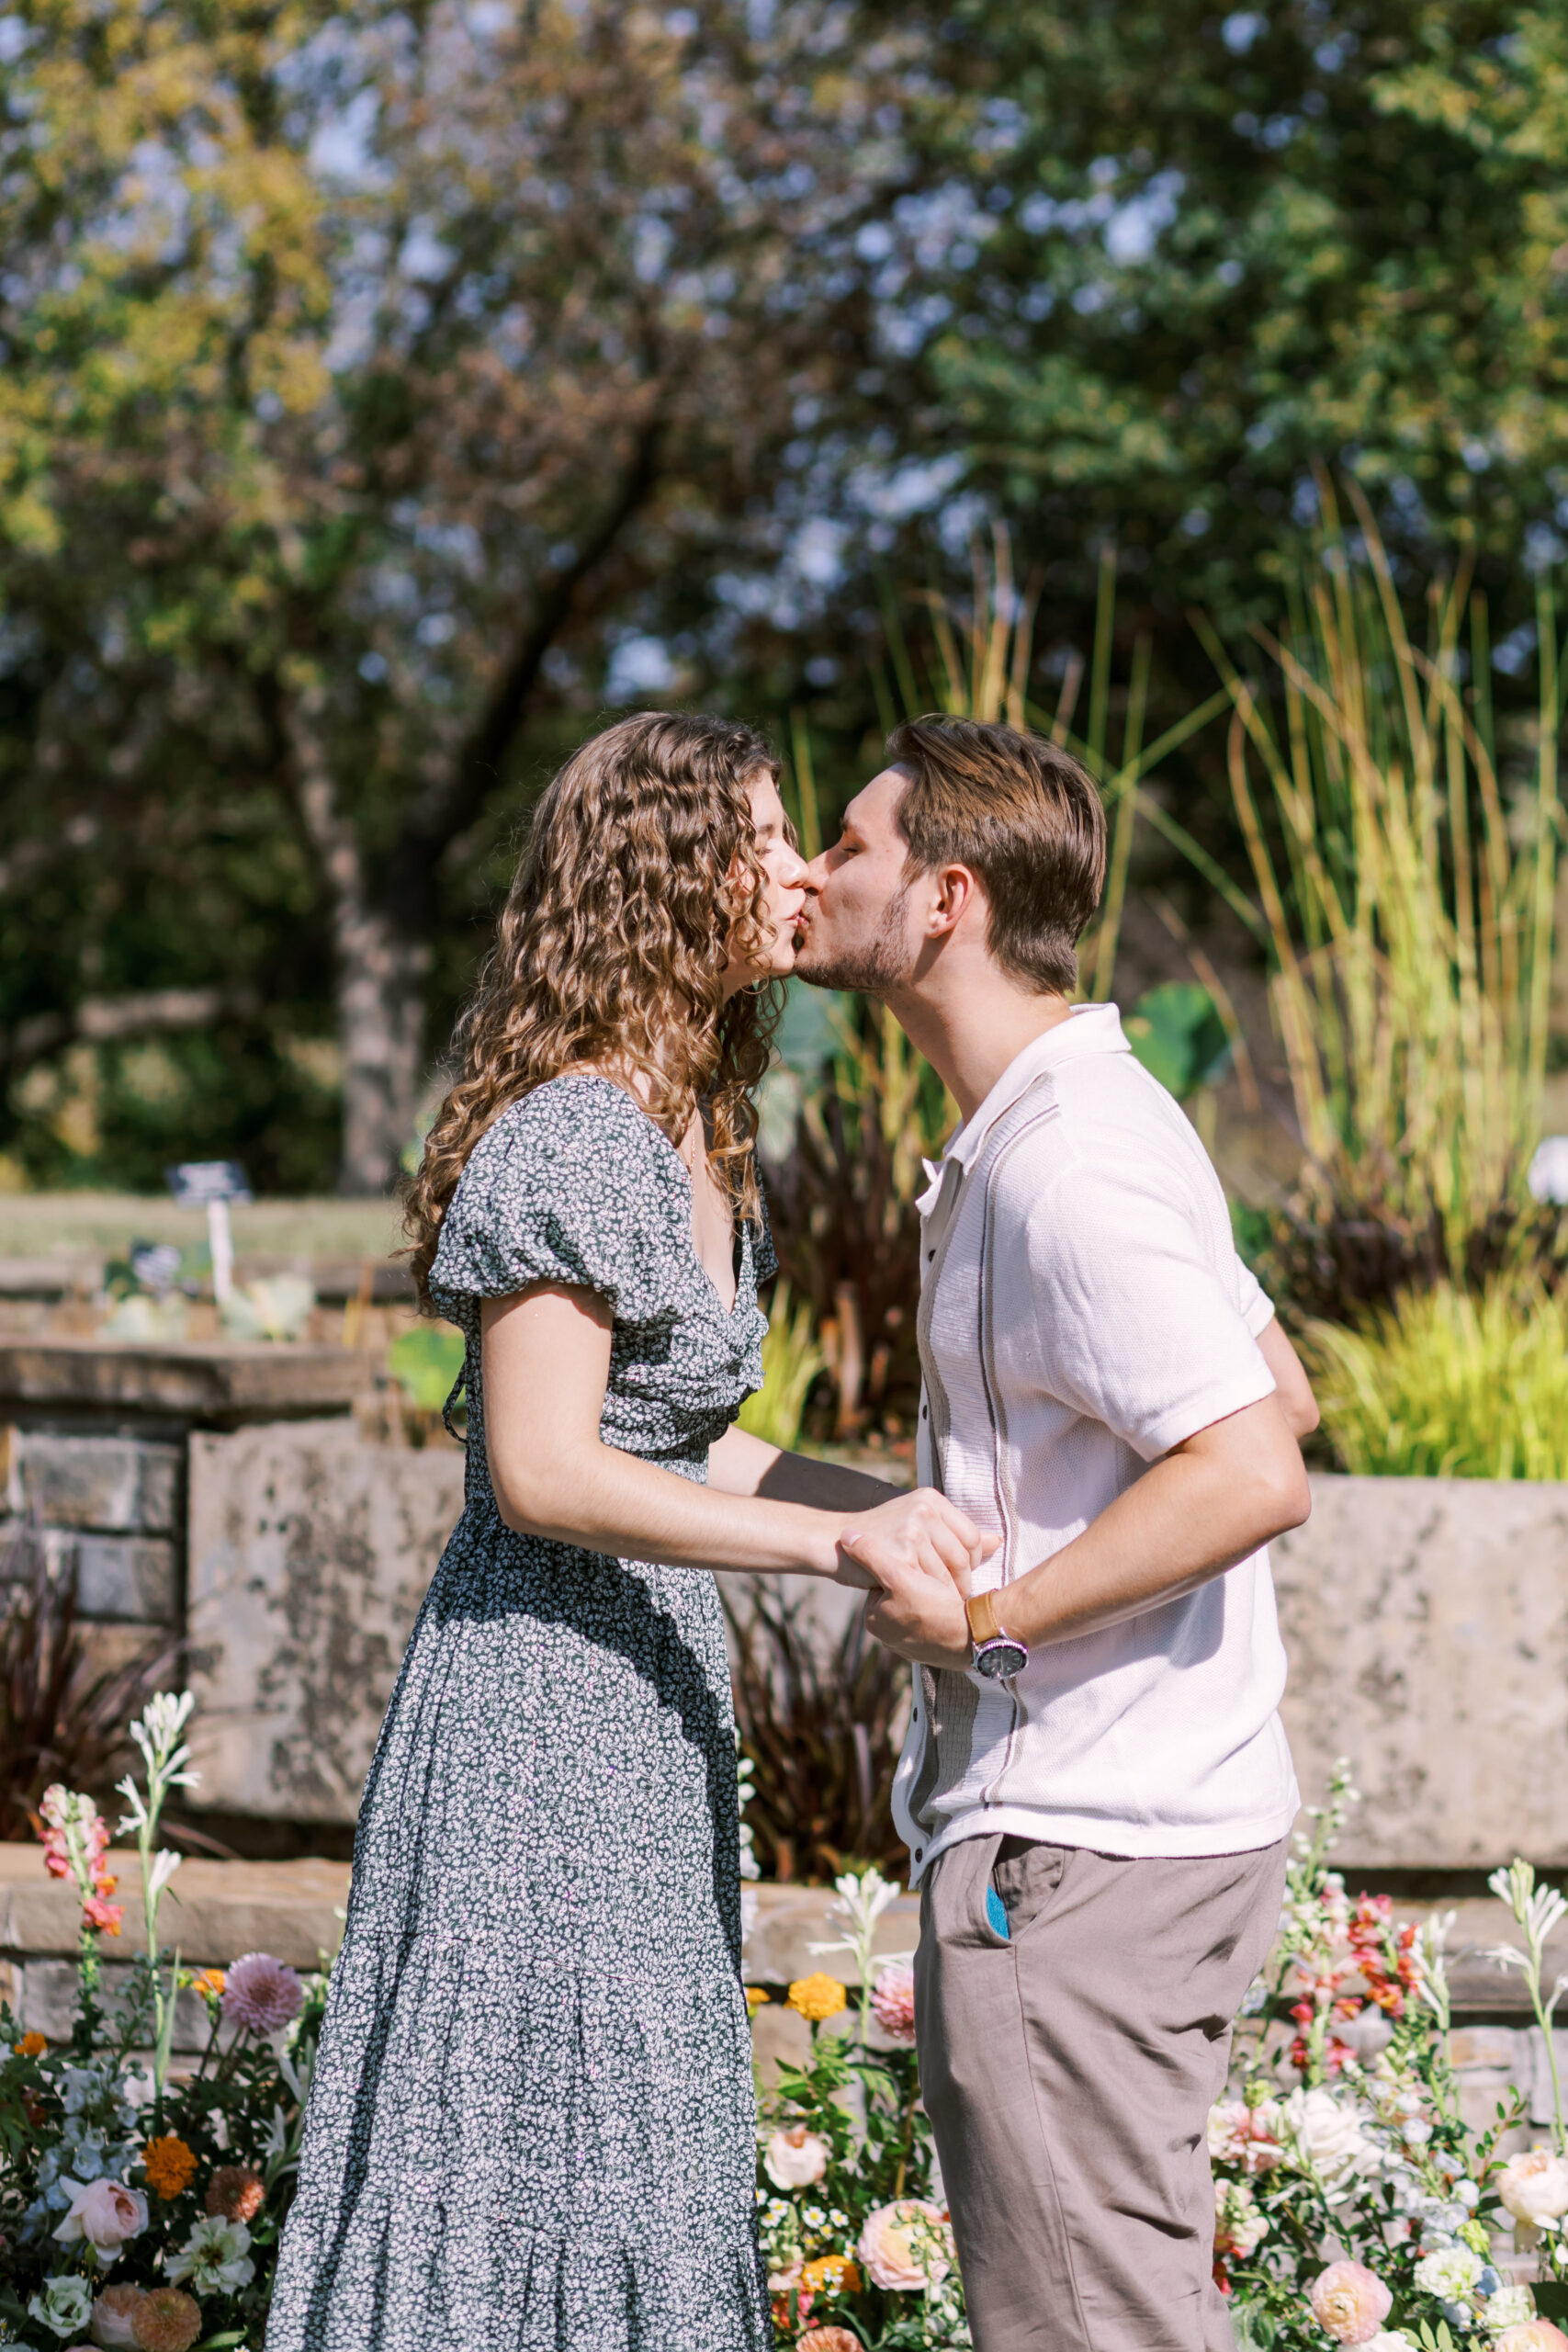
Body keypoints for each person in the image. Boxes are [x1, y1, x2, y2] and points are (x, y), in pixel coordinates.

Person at [265, 711, 992, 2352]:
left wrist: (888, 1508)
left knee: (632, 2144)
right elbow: (545, 1470)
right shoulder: (574, 1135)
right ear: (662, 880)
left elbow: (684, 1443)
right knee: (530, 2148)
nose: (800, 869)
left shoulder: (701, 1137)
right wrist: (837, 1554)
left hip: (647, 1703)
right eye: (761, 838)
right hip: (533, 1706)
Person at [791, 714, 1320, 2352]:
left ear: (943, 899)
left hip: (1085, 1851)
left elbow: (1251, 1465)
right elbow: (1282, 1388)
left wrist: (994, 1616)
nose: (815, 870)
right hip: (1148, 1834)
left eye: (852, 846)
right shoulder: (1088, 1113)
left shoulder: (1061, 1163)